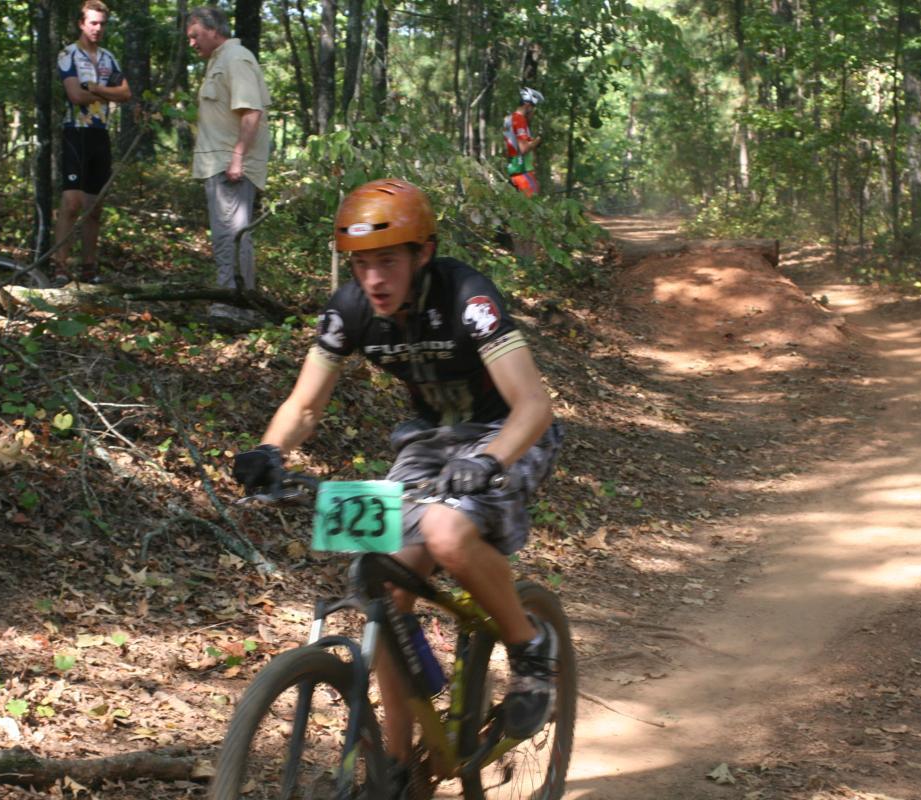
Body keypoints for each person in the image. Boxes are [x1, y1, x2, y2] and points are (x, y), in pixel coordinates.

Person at [232, 179, 563, 777]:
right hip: (431, 440)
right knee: (382, 582)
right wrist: (269, 449)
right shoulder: (351, 309)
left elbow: (533, 406)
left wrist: (488, 463)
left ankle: (529, 646)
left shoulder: (468, 298)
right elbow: (304, 407)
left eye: (387, 261)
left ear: (423, 254)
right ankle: (399, 763)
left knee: (443, 533)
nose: (374, 279)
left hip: (508, 431)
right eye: (361, 264)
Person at [186, 6, 271, 315]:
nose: (192, 43)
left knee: (230, 237)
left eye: (195, 36)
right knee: (227, 235)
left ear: (213, 30)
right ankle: (238, 302)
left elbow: (252, 111)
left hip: (230, 166)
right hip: (219, 164)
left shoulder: (237, 60)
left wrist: (237, 157)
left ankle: (231, 306)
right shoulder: (218, 61)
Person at [55, 0, 131, 285]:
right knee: (71, 202)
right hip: (75, 131)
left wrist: (96, 89)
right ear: (81, 23)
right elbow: (75, 95)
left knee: (94, 205)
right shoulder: (69, 54)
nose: (98, 28)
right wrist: (107, 93)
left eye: (102, 24)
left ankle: (89, 267)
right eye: (93, 23)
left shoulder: (109, 58)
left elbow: (125, 93)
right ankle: (60, 266)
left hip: (100, 133)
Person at [504, 88, 543, 197]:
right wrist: (537, 141)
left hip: (514, 170)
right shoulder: (520, 120)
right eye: (532, 108)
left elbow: (509, 147)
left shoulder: (508, 119)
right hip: (523, 172)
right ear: (527, 106)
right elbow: (523, 149)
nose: (533, 111)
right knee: (534, 207)